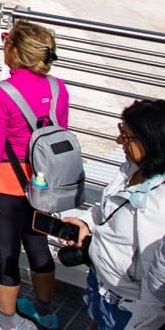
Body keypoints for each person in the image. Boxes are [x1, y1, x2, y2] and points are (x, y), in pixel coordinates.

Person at [0, 20, 69, 330]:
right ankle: (45, 312)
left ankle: (5, 322)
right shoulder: (58, 88)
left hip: (7, 185)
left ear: (15, 51)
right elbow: (60, 135)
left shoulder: (1, 93)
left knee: (6, 253)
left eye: (6, 44)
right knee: (38, 245)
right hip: (44, 185)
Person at [62, 99, 165, 330]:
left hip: (126, 308)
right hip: (100, 282)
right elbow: (105, 207)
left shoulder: (159, 207)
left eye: (126, 135)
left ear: (151, 141)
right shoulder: (131, 169)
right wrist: (86, 222)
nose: (119, 141)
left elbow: (156, 288)